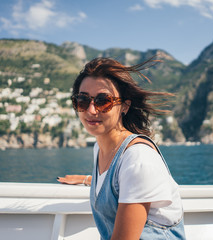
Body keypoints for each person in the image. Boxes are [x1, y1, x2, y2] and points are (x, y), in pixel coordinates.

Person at [57, 57, 186, 240]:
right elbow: (121, 183)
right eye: (83, 100)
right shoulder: (100, 148)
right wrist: (88, 180)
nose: (91, 110)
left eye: (103, 101)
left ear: (124, 106)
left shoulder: (138, 158)